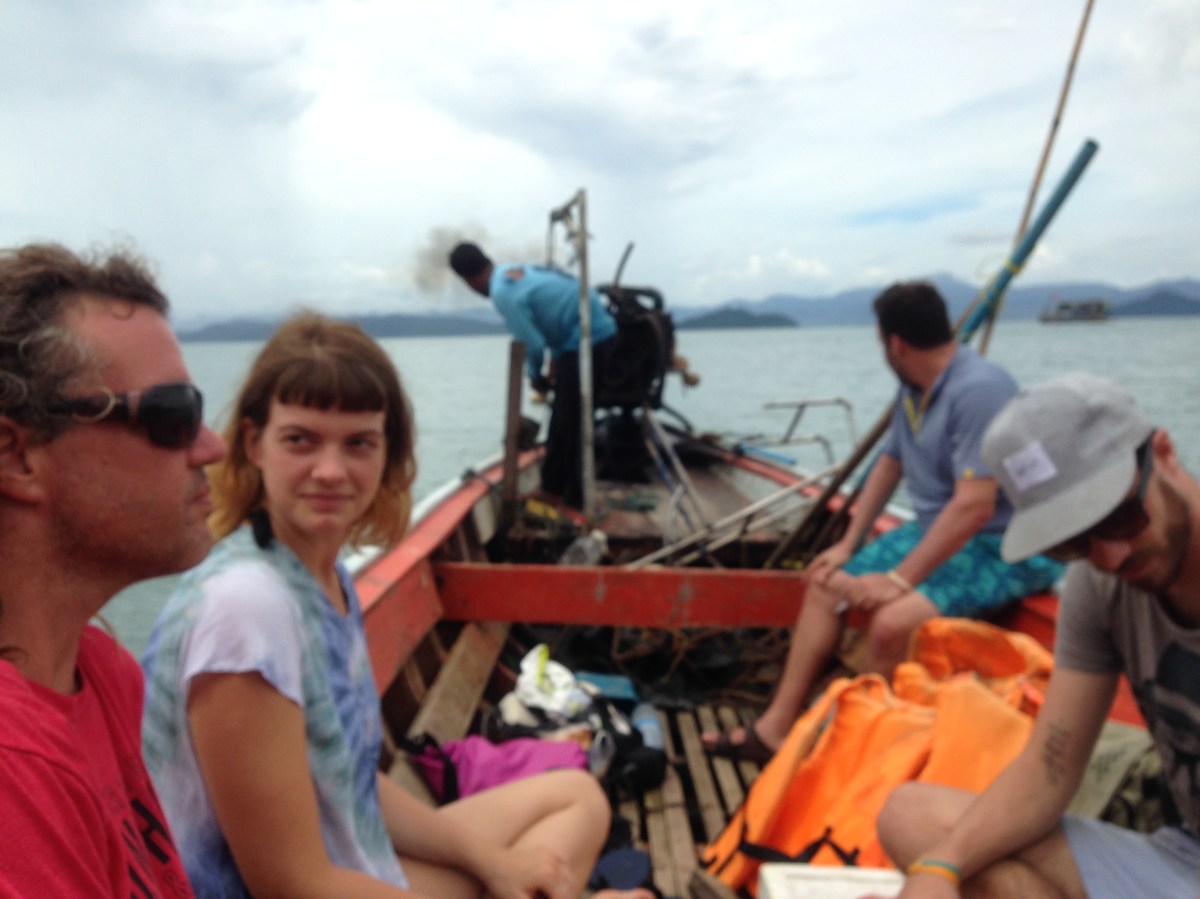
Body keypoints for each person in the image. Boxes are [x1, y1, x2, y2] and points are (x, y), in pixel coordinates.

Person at [141, 312, 651, 899]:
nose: (330, 471)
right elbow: (291, 886)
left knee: (577, 798)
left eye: (359, 443)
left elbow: (350, 781)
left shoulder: (321, 576)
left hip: (354, 866)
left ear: (388, 453)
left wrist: (494, 864)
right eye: (301, 440)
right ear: (254, 444)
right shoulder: (245, 610)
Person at [702, 281, 1063, 763]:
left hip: (1005, 544)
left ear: (896, 343)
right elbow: (889, 464)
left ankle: (854, 755)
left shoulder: (980, 390)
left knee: (892, 623)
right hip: (942, 530)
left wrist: (898, 580)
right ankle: (774, 730)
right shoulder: (914, 388)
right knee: (824, 583)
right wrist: (848, 544)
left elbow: (975, 506)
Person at [872, 373, 1200, 898]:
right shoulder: (1101, 587)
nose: (1110, 556)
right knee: (913, 818)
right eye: (1073, 542)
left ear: (1163, 453)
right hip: (1184, 856)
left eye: (1120, 517)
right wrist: (939, 870)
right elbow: (1051, 767)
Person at [0, 243, 226, 896]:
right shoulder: (14, 770)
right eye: (172, 416)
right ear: (16, 457)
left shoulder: (101, 673)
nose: (212, 445)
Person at [448, 241, 617, 509]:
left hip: (588, 338)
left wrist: (535, 376)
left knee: (571, 424)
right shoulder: (514, 271)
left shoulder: (503, 293)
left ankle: (572, 501)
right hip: (588, 333)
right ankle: (553, 490)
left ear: (468, 280)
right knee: (562, 420)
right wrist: (557, 359)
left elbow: (533, 345)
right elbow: (554, 313)